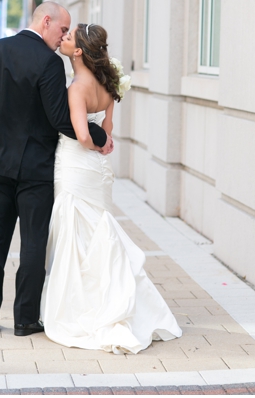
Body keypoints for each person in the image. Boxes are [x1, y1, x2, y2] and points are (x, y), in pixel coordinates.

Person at [0, 2, 112, 336]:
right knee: (33, 243)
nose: (63, 38)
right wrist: (99, 135)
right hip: (36, 169)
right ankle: (25, 319)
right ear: (46, 21)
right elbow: (61, 118)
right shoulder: (48, 62)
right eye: (62, 29)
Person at [40, 23, 182, 352]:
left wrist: (93, 144)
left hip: (77, 163)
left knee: (75, 231)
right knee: (97, 227)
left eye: (68, 36)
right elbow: (107, 128)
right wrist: (103, 146)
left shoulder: (77, 87)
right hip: (99, 169)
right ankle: (110, 296)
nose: (62, 37)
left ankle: (81, 306)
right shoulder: (107, 82)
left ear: (78, 51)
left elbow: (84, 135)